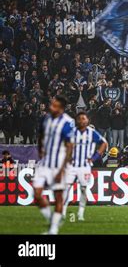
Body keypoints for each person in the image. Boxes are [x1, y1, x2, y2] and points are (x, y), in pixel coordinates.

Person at [33, 95, 75, 235]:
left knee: (58, 196)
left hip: (58, 165)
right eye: (51, 104)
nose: (51, 107)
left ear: (61, 109)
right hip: (44, 163)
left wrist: (62, 170)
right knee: (37, 194)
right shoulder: (46, 118)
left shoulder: (67, 122)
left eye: (55, 105)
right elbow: (41, 135)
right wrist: (40, 150)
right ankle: (52, 219)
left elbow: (70, 147)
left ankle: (53, 229)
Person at [63, 112, 108, 220]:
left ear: (87, 121)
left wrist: (94, 157)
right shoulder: (72, 132)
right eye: (80, 119)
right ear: (77, 121)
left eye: (84, 119)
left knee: (83, 189)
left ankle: (81, 213)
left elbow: (104, 143)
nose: (82, 121)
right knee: (66, 188)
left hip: (85, 166)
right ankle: (63, 212)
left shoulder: (92, 133)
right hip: (72, 165)